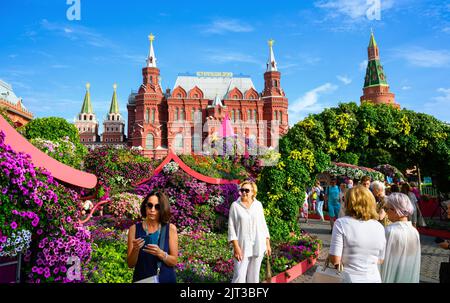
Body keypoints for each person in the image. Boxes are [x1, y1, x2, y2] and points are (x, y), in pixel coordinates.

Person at [329, 185, 386, 283]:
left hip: (349, 278)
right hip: (374, 278)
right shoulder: (379, 226)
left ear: (349, 203)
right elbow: (380, 259)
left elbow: (335, 259)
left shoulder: (341, 223)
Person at [127, 190, 178, 283]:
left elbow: (174, 261)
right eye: (150, 205)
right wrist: (135, 249)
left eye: (157, 207)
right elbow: (130, 264)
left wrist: (161, 254)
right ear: (145, 206)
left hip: (165, 279)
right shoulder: (134, 229)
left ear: (162, 209)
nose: (152, 210)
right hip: (142, 280)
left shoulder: (170, 229)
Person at [228, 180, 271, 283]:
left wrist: (267, 244)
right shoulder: (235, 205)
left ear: (253, 192)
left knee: (254, 278)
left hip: (258, 245)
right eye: (242, 190)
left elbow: (263, 225)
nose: (243, 192)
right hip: (242, 246)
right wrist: (236, 247)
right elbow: (231, 227)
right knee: (239, 276)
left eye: (246, 190)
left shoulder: (258, 205)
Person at [380, 193, 421, 283]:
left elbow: (382, 261)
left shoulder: (390, 231)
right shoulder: (414, 231)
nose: (386, 212)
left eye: (386, 209)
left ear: (396, 210)